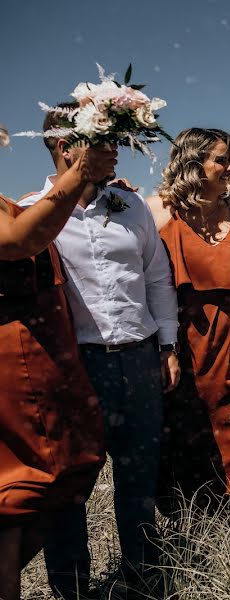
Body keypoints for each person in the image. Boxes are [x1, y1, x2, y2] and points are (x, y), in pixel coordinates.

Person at [19, 106, 180, 596]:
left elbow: (157, 275)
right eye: (104, 140)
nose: (116, 150)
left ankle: (143, 578)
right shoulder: (32, 211)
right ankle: (72, 588)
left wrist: (167, 345)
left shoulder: (131, 206)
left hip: (139, 355)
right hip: (76, 366)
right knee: (70, 486)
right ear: (68, 148)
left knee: (139, 477)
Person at [149, 128, 230, 555]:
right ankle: (197, 534)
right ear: (192, 163)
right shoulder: (158, 211)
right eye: (220, 159)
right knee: (190, 434)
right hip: (187, 346)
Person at [0, 147, 114, 600]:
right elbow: (17, 243)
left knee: (50, 484)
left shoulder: (12, 202)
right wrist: (79, 174)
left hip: (46, 369)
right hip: (12, 374)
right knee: (17, 493)